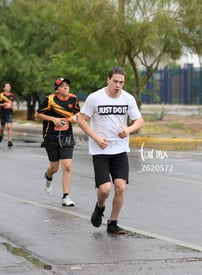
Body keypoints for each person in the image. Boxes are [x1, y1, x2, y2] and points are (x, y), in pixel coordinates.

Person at [77, 66, 144, 234]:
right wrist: (96, 138)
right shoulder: (95, 98)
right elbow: (81, 119)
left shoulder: (128, 99)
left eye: (121, 82)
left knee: (120, 187)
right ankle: (100, 207)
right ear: (108, 80)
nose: (118, 85)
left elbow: (139, 121)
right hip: (100, 149)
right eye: (115, 81)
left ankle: (113, 223)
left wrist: (127, 130)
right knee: (105, 189)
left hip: (120, 149)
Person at [35, 78, 80, 207]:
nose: (66, 88)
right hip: (51, 136)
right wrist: (53, 119)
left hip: (67, 136)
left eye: (67, 85)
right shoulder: (50, 99)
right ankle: (48, 176)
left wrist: (75, 117)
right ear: (57, 89)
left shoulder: (74, 99)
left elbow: (78, 113)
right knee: (54, 167)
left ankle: (66, 196)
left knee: (67, 166)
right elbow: (37, 115)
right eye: (62, 86)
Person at [0, 82, 15, 147]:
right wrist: (2, 104)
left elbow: (12, 103)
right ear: (4, 88)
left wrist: (13, 108)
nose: (8, 87)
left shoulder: (12, 95)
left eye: (9, 86)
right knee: (2, 127)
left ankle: (9, 141)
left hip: (9, 112)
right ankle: (1, 135)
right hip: (2, 112)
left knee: (9, 126)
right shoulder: (1, 95)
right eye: (7, 86)